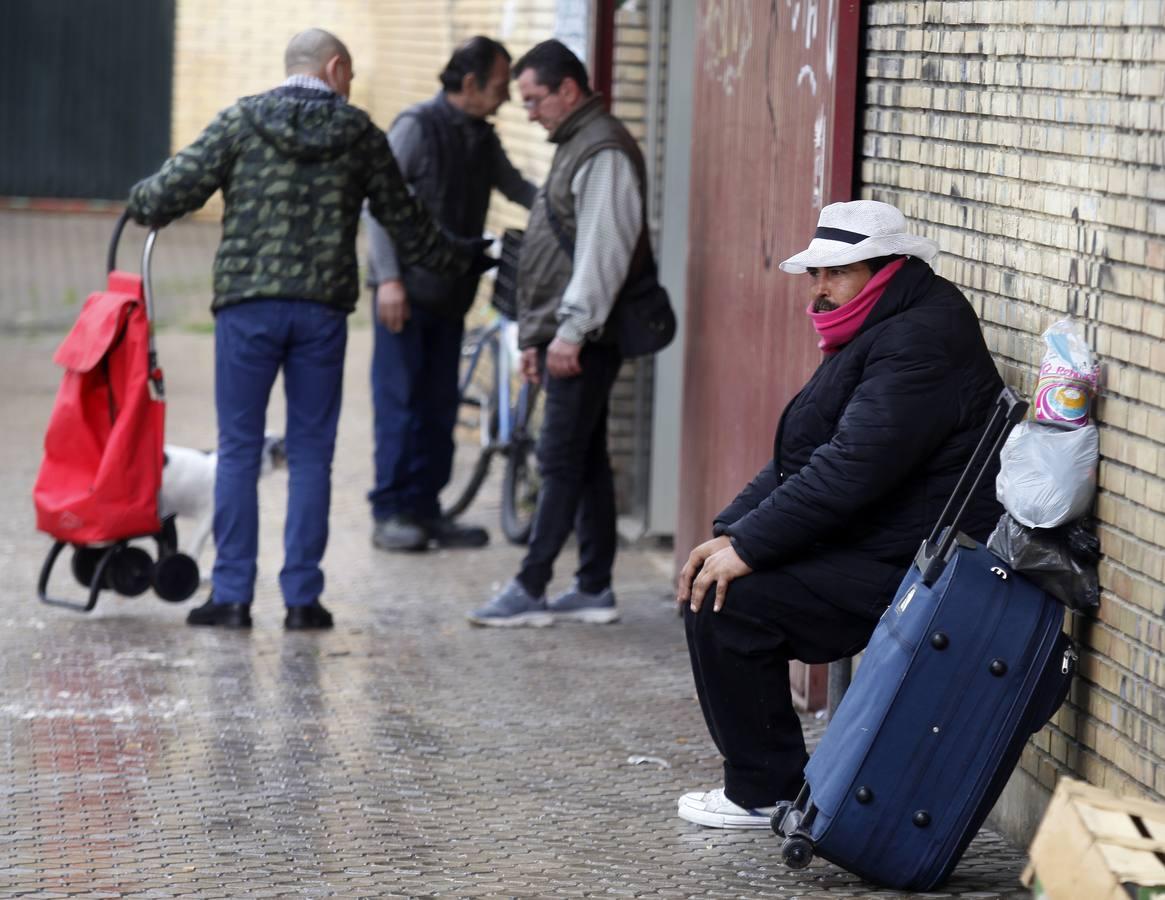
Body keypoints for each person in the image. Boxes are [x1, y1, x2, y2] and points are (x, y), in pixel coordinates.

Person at [127, 28, 484, 630]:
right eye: (350, 74)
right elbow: (410, 227)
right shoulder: (360, 135)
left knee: (239, 451)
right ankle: (301, 601)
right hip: (321, 315)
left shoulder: (241, 121)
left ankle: (233, 596)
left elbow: (164, 194)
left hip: (247, 310)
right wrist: (472, 255)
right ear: (335, 67)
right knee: (312, 454)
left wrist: (140, 199)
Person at [674, 200, 1005, 828]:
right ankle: (769, 781)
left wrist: (747, 550)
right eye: (814, 275)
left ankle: (765, 789)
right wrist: (732, 531)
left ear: (885, 268)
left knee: (726, 604)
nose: (820, 291)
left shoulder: (917, 340)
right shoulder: (885, 322)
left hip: (913, 564)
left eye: (836, 273)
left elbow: (851, 469)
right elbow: (810, 454)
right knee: (716, 577)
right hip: (884, 538)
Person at [466, 39, 653, 627]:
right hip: (566, 334)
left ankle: (531, 585)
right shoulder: (577, 141)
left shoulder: (602, 150)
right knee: (587, 455)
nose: (527, 111)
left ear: (567, 90)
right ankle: (595, 585)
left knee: (558, 457)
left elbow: (603, 252)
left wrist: (568, 333)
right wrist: (535, 337)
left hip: (585, 337)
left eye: (533, 98)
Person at [366, 36, 536, 553]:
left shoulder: (481, 137)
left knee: (439, 408)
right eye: (501, 85)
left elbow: (516, 187)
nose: (506, 97)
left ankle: (426, 510)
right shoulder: (416, 127)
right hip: (406, 296)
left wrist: (564, 206)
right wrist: (389, 279)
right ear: (470, 84)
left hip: (451, 296)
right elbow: (377, 205)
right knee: (401, 406)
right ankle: (391, 513)